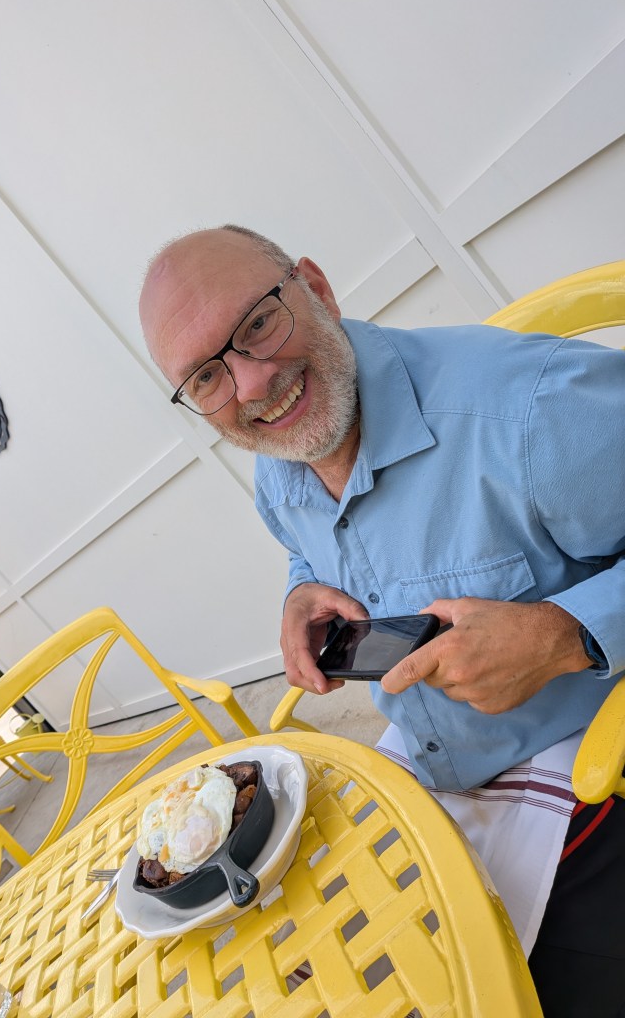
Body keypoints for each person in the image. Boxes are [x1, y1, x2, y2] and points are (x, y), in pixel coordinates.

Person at [140, 224, 625, 1015]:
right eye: (206, 377)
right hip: (429, 776)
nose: (254, 385)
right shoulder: (279, 470)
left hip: (592, 770)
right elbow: (312, 553)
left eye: (257, 323)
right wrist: (301, 593)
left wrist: (566, 633)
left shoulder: (524, 409)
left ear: (317, 287)